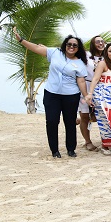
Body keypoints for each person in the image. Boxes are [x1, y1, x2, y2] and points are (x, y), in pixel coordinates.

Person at [13, 28, 88, 158]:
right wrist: (21, 40)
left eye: (75, 45)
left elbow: (81, 81)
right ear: (65, 45)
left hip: (71, 96)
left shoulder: (80, 63)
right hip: (52, 94)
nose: (71, 47)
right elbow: (36, 48)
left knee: (70, 122)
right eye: (69, 44)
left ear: (78, 48)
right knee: (52, 121)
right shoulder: (55, 53)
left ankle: (71, 149)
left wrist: (86, 96)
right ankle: (54, 151)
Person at [78, 35, 105, 151]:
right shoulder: (86, 56)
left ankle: (105, 140)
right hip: (87, 86)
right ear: (93, 44)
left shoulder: (107, 56)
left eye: (102, 41)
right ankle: (87, 141)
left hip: (102, 87)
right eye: (97, 42)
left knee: (102, 116)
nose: (100, 43)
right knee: (84, 116)